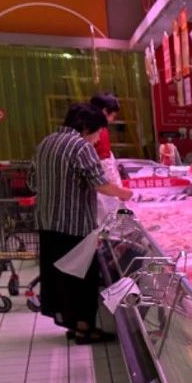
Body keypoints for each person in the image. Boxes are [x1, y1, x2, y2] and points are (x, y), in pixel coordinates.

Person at [33, 103, 133, 344]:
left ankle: (71, 323)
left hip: (47, 222)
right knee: (82, 279)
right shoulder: (80, 146)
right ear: (86, 127)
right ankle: (84, 329)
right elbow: (100, 184)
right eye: (98, 132)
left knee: (59, 277)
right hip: (74, 224)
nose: (98, 139)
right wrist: (125, 194)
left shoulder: (46, 142)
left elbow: (32, 181)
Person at [89, 91, 124, 223]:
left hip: (99, 182)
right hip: (102, 183)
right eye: (112, 115)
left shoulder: (93, 127)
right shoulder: (98, 130)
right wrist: (118, 190)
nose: (112, 119)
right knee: (106, 216)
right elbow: (105, 164)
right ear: (104, 111)